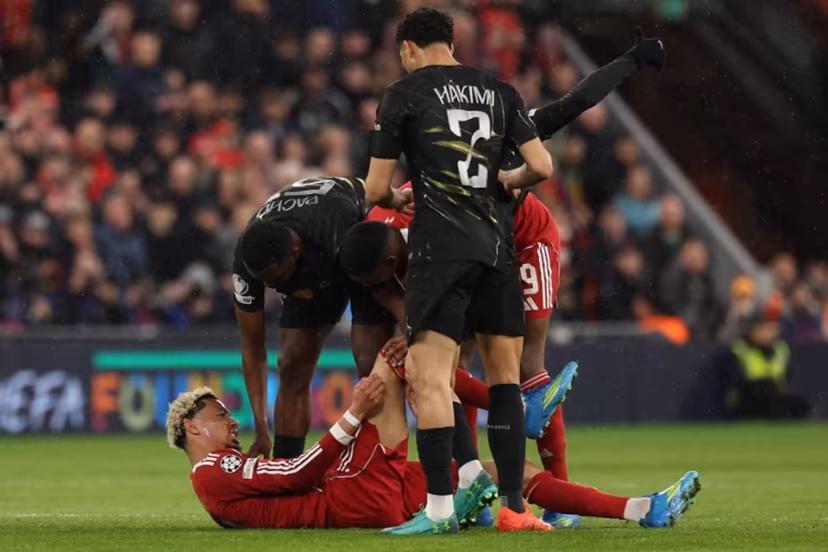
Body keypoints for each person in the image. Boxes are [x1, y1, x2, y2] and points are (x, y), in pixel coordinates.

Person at [348, 26, 666, 529]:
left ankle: (551, 497)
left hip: (523, 237)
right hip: (482, 247)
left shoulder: (423, 170)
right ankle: (485, 483)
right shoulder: (493, 109)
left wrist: (628, 61)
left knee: (520, 366)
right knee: (471, 365)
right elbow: (558, 130)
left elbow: (576, 101)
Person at [364, 7, 556, 533]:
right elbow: (542, 167)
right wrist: (506, 182)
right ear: (452, 43)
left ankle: (441, 511)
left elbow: (376, 190)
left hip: (441, 251)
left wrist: (400, 199)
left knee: (430, 378)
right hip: (498, 249)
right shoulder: (500, 90)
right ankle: (515, 510)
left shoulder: (403, 94)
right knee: (504, 383)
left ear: (407, 49)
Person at [168, 350, 702, 531]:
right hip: (354, 494)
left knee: (502, 474)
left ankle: (641, 509)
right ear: (193, 427)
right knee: (397, 355)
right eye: (220, 416)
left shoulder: (220, 483)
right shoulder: (213, 470)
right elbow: (297, 473)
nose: (231, 424)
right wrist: (352, 416)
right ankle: (517, 407)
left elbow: (272, 493)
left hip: (363, 495)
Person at [232, 176, 399, 461]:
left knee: (370, 360)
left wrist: (412, 329)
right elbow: (252, 347)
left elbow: (386, 291)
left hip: (359, 233)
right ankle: (285, 469)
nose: (274, 288)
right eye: (266, 283)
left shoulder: (335, 227)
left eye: (278, 279)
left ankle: (377, 464)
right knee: (293, 362)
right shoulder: (250, 258)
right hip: (316, 257)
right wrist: (260, 428)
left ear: (295, 252)